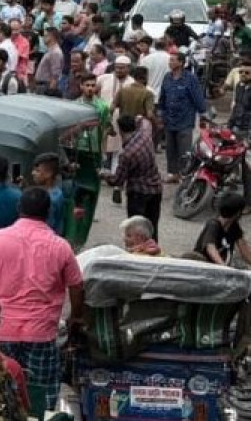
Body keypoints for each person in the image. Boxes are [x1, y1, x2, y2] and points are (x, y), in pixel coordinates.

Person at [0, 187, 84, 417]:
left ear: (19, 209)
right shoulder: (61, 247)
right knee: (39, 396)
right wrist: (74, 318)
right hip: (41, 334)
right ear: (48, 212)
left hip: (1, 330)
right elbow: (77, 287)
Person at [102, 115, 162, 236]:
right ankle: (153, 251)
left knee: (136, 232)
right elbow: (142, 120)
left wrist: (105, 175)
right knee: (152, 228)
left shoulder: (127, 154)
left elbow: (117, 180)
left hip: (138, 195)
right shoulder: (146, 137)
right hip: (156, 189)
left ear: (120, 130)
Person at [158, 51, 206, 182]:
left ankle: (184, 174)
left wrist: (203, 113)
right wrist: (160, 114)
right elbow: (163, 96)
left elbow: (197, 97)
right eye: (170, 60)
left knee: (184, 149)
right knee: (170, 148)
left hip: (184, 120)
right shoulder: (167, 77)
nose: (170, 62)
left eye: (173, 60)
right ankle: (172, 174)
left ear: (181, 63)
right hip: (169, 119)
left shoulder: (190, 78)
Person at [194, 192, 251, 265]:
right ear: (238, 213)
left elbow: (244, 250)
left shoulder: (234, 227)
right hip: (203, 266)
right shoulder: (213, 225)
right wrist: (223, 266)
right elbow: (210, 247)